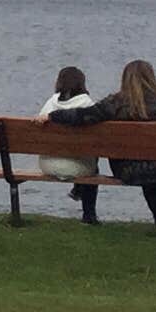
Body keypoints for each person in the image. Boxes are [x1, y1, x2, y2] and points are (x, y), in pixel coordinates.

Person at [53, 59, 156, 231]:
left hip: (129, 170)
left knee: (146, 163)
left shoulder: (114, 104)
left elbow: (82, 116)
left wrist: (53, 116)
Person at [38, 63, 103, 224]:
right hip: (76, 167)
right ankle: (89, 216)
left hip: (47, 164)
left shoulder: (51, 102)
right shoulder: (86, 103)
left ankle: (78, 189)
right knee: (94, 164)